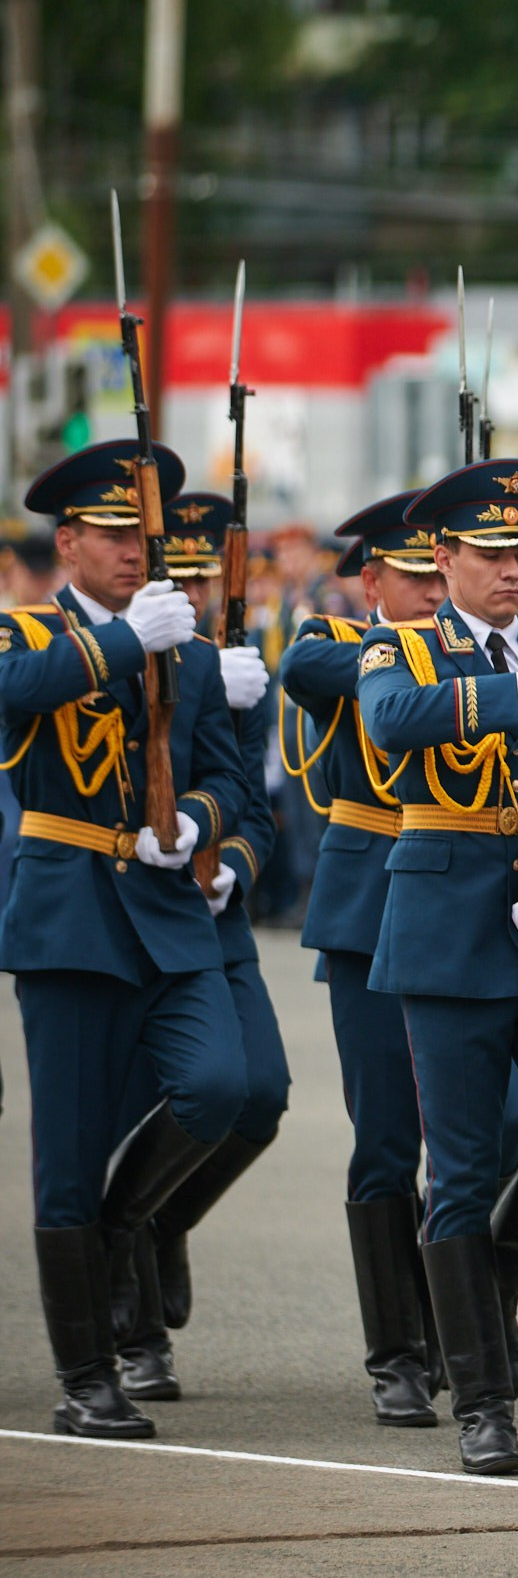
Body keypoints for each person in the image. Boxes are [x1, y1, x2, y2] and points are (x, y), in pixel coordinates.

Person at [355, 458, 518, 1477]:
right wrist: (511, 691)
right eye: (493, 552)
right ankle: (482, 1398)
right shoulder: (403, 644)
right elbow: (390, 722)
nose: (513, 569)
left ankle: (487, 1280)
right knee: (460, 1169)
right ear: (445, 557)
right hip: (445, 932)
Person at [4, 440, 252, 1442]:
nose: (131, 553)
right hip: (68, 913)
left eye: (140, 537)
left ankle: (120, 1231)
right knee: (67, 1151)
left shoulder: (187, 654)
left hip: (165, 911)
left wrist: (195, 820)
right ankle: (85, 1376)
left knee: (221, 1086)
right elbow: (16, 693)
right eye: (111, 535)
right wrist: (117, 645)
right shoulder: (25, 630)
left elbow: (229, 777)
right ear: (67, 543)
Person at [108, 491, 289, 1401]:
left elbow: (251, 806)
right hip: (127, 907)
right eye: (174, 574)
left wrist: (235, 869)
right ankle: (135, 1327)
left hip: (209, 916)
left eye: (202, 577)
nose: (190, 591)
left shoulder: (231, 664)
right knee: (150, 1098)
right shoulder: (127, 647)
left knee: (258, 1094)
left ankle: (162, 1216)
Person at [280, 495, 453, 1426]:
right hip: (371, 910)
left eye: (442, 573)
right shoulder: (337, 641)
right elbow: (305, 666)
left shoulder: (481, 651)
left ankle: (459, 1310)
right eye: (416, 576)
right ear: (372, 579)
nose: (433, 591)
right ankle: (397, 1350)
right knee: (387, 1135)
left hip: (465, 908)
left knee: (497, 1126)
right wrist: (418, 659)